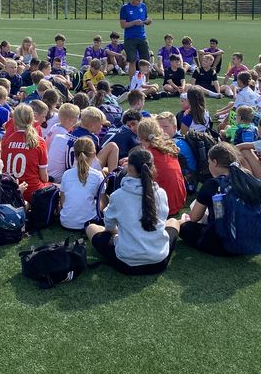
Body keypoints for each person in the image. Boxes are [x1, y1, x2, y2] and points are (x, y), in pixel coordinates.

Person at [86, 147, 180, 275]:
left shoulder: (118, 195)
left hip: (127, 263)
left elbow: (109, 226)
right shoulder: (161, 193)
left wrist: (120, 233)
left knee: (91, 228)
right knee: (174, 221)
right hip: (158, 262)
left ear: (129, 168)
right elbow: (161, 222)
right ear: (152, 167)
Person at [179, 143, 239, 255]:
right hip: (248, 236)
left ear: (215, 162)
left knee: (185, 226)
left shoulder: (212, 184)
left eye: (209, 162)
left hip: (224, 242)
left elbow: (194, 218)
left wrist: (184, 220)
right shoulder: (246, 176)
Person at [1, 104, 50, 203]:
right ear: (32, 118)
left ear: (14, 120)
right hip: (32, 191)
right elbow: (44, 177)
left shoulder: (6, 141)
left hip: (10, 190)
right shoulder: (39, 141)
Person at [137, 118, 186, 216]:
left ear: (140, 137)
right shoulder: (168, 148)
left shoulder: (148, 155)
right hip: (179, 200)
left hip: (164, 205)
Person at [59, 137, 105, 230]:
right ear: (94, 154)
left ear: (75, 155)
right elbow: (102, 203)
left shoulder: (66, 174)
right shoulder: (98, 175)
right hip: (89, 223)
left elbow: (63, 202)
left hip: (66, 222)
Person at [120, 0, 153, 81]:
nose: (139, 2)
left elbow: (146, 18)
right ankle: (133, 83)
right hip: (130, 38)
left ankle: (146, 82)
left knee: (146, 61)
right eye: (138, 0)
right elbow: (123, 25)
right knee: (132, 61)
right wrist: (134, 22)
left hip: (142, 37)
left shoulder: (143, 6)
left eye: (141, 0)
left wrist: (148, 21)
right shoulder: (125, 8)